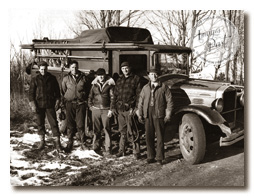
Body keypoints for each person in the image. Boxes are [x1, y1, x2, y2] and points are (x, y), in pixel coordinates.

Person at [137, 68, 173, 165]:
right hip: (148, 113)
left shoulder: (164, 87)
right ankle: (150, 156)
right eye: (152, 74)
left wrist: (168, 114)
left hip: (159, 113)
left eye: (156, 74)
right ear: (149, 76)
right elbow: (140, 101)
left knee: (160, 137)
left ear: (158, 75)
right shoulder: (145, 88)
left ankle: (159, 157)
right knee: (149, 136)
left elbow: (169, 101)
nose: (154, 76)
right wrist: (140, 114)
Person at [28, 61, 62, 152]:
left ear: (47, 68)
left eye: (45, 69)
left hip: (50, 105)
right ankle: (42, 142)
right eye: (42, 69)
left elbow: (57, 93)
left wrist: (58, 102)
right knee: (40, 124)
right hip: (39, 106)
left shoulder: (52, 79)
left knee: (54, 123)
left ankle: (58, 143)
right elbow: (31, 93)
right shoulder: (35, 79)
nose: (43, 71)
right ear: (39, 69)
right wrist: (33, 105)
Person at [112, 61, 142, 160]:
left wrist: (136, 108)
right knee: (122, 131)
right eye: (123, 68)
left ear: (130, 68)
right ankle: (122, 150)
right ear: (121, 69)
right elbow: (115, 95)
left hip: (130, 110)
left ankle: (136, 152)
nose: (125, 70)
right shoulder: (119, 80)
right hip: (120, 110)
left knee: (132, 131)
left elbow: (139, 96)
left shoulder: (136, 79)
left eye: (127, 68)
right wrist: (113, 107)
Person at [61, 60, 90, 152]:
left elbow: (88, 90)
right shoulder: (66, 78)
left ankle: (82, 142)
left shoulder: (83, 78)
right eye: (73, 67)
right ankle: (70, 141)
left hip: (80, 104)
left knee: (80, 124)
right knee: (70, 124)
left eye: (76, 67)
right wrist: (64, 103)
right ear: (70, 68)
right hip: (70, 104)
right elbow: (63, 91)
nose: (75, 69)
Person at [88, 68, 115, 156]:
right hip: (96, 109)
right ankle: (96, 146)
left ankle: (108, 148)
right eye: (99, 75)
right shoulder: (94, 85)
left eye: (102, 75)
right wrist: (90, 106)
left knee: (107, 129)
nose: (101, 77)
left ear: (105, 75)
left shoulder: (109, 84)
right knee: (96, 129)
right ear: (97, 76)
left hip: (106, 110)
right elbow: (90, 96)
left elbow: (112, 98)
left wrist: (111, 109)